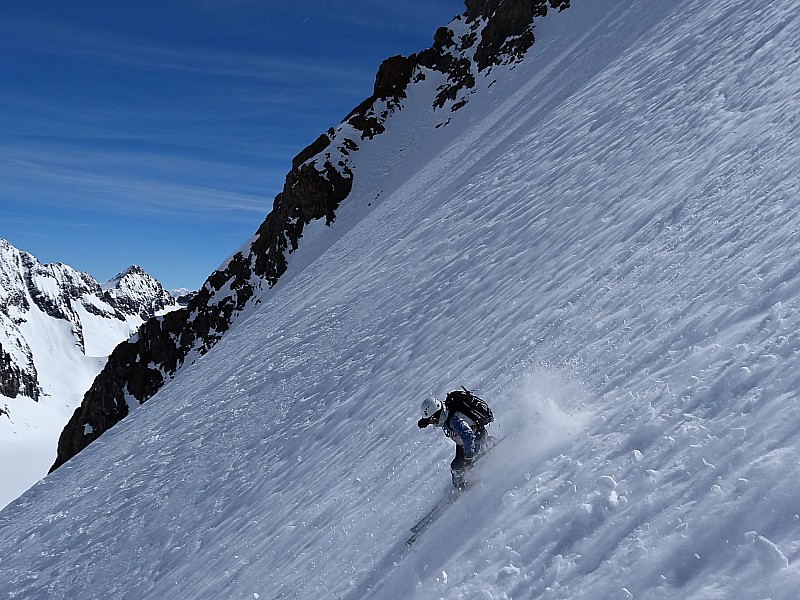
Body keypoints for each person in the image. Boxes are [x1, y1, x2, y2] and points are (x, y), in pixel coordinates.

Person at [418, 393, 490, 489]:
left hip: (475, 438)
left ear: (436, 413)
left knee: (460, 466)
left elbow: (468, 436)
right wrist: (425, 421)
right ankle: (459, 486)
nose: (433, 423)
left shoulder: (454, 420)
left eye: (432, 420)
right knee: (456, 467)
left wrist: (468, 458)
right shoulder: (444, 415)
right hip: (463, 443)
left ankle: (470, 483)